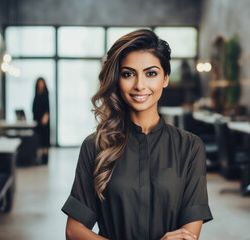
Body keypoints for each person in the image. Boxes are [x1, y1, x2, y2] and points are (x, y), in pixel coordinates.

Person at [62, 29, 212, 240]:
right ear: (117, 80)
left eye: (151, 73)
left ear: (165, 78)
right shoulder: (95, 146)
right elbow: (74, 231)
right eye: (128, 74)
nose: (139, 85)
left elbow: (189, 233)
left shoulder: (190, 147)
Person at [32, 77, 50, 164]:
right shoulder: (36, 95)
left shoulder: (46, 95)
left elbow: (47, 109)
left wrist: (46, 117)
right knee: (38, 139)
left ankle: (45, 157)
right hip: (37, 122)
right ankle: (39, 157)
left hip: (44, 122)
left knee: (45, 140)